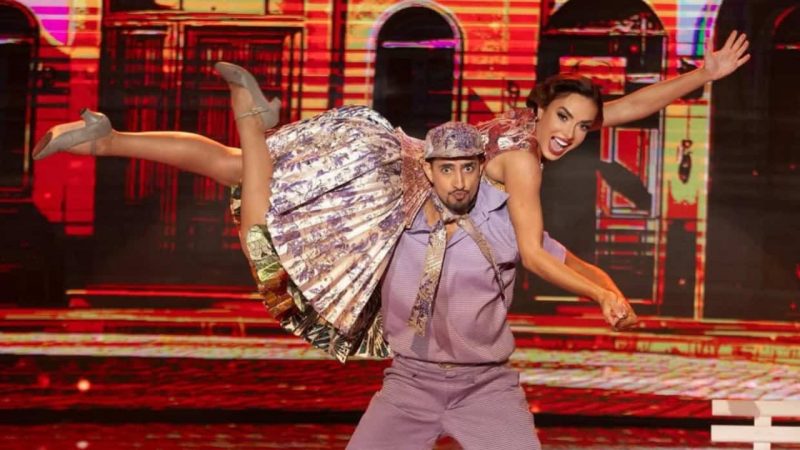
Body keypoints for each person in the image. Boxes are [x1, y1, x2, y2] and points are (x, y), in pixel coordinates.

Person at [30, 32, 750, 361]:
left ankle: (106, 138)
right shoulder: (526, 163)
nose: (571, 134)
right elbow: (534, 254)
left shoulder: (533, 124)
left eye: (583, 127)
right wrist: (599, 295)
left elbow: (623, 107)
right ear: (541, 109)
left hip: (383, 156)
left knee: (232, 171)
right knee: (263, 216)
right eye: (564, 118)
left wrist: (701, 76)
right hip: (386, 197)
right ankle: (247, 116)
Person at [347, 121, 550, 449]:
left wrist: (604, 292)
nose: (459, 182)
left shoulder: (504, 222)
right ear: (428, 171)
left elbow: (559, 257)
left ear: (481, 167)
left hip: (486, 387)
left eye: (467, 167)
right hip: (410, 383)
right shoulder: (394, 222)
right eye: (446, 169)